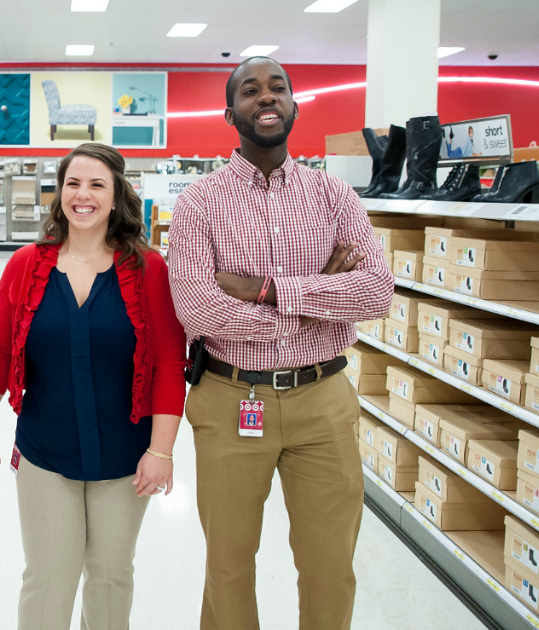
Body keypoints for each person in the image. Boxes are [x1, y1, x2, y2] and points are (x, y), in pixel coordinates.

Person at [168, 57, 393, 630]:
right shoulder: (199, 203)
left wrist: (269, 291)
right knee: (228, 563)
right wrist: (314, 306)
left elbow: (375, 293)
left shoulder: (335, 195)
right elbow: (197, 309)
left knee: (330, 564)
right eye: (250, 90)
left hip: (323, 403)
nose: (266, 98)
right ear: (230, 112)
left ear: (293, 105)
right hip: (229, 397)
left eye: (278, 88)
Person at [0, 143, 188, 629]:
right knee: (49, 576)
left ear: (117, 197)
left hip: (125, 452)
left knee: (112, 574)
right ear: (60, 193)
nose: (83, 195)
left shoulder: (149, 270)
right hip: (45, 450)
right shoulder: (26, 266)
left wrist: (162, 450)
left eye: (97, 185)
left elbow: (169, 364)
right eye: (73, 183)